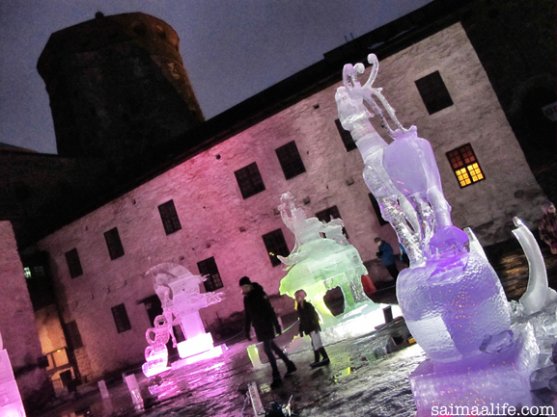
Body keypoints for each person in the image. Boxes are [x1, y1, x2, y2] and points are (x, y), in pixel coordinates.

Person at [240, 276, 296, 388]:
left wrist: (276, 325)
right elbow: (248, 315)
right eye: (242, 287)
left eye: (245, 286)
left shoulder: (260, 294)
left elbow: (269, 310)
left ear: (249, 285)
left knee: (267, 349)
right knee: (273, 347)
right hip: (259, 328)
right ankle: (289, 365)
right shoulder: (246, 299)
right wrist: (246, 330)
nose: (244, 289)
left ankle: (276, 376)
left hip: (267, 325)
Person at [295, 289, 329, 367]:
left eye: (297, 296)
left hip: (313, 327)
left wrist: (315, 324)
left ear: (302, 296)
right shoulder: (299, 307)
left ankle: (322, 359)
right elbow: (301, 319)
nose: (296, 298)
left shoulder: (308, 305)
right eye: (296, 297)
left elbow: (314, 315)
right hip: (309, 328)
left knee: (316, 343)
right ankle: (322, 359)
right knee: (315, 343)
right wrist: (301, 330)